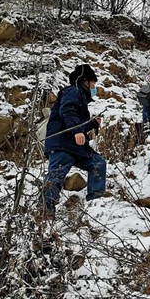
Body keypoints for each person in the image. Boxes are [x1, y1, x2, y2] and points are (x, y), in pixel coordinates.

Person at [41, 64, 106, 218]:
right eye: (93, 84)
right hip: (63, 143)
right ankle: (44, 212)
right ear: (85, 82)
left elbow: (75, 118)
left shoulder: (79, 97)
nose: (94, 87)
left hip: (75, 146)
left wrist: (91, 123)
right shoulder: (73, 91)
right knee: (55, 176)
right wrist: (77, 131)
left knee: (98, 162)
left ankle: (95, 202)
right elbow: (67, 110)